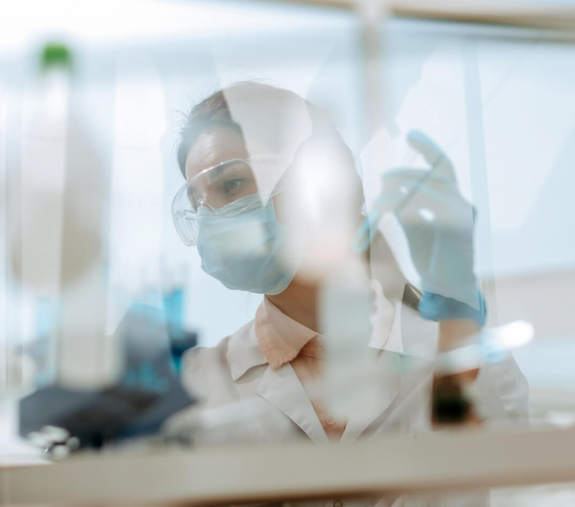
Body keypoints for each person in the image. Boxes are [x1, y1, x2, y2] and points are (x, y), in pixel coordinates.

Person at [166, 82, 528, 506]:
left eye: (231, 186)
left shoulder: (458, 357)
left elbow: (508, 483)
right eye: (198, 203)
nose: (212, 221)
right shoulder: (200, 385)